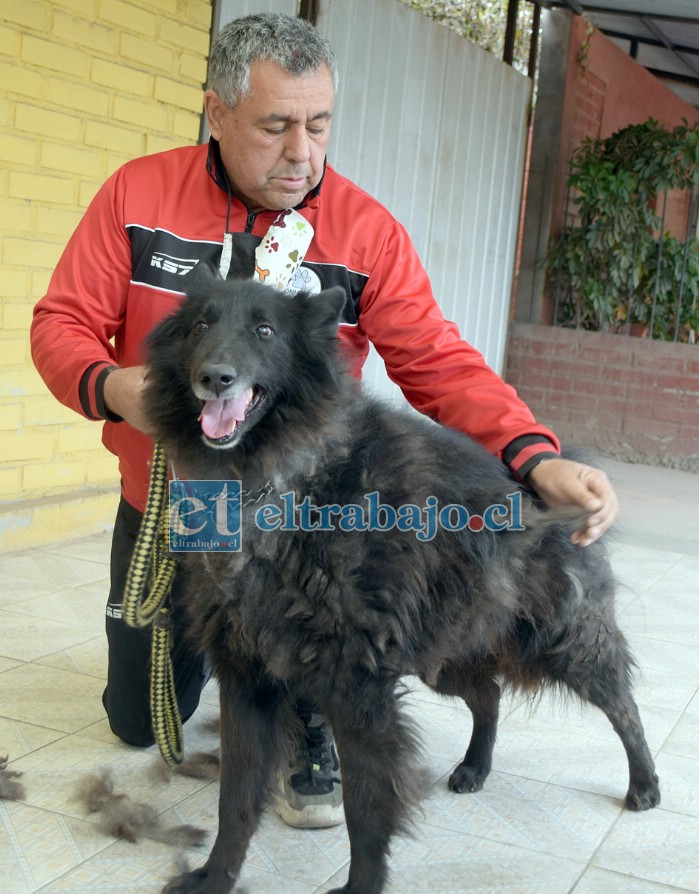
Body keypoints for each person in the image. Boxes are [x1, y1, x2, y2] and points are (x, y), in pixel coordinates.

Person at [31, 12, 618, 830]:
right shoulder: (137, 195)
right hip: (183, 496)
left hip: (305, 518)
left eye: (318, 124)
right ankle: (235, 672)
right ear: (217, 112)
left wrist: (533, 455)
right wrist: (114, 387)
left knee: (307, 628)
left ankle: (308, 717)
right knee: (137, 720)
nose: (301, 151)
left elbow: (438, 361)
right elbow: (58, 324)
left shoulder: (365, 229)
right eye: (274, 126)